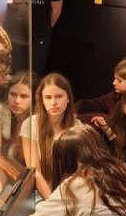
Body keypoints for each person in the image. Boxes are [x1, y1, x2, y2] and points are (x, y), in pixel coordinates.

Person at [20, 72, 81, 200]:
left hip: (71, 191)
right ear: (42, 100)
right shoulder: (30, 124)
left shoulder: (77, 126)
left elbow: (81, 170)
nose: (53, 102)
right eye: (48, 97)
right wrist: (53, 202)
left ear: (68, 98)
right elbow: (35, 172)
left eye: (59, 96)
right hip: (41, 193)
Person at [76, 56, 126, 122]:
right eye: (115, 79)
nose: (114, 83)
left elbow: (120, 125)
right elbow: (95, 104)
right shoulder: (115, 95)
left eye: (119, 81)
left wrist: (103, 119)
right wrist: (74, 109)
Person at [0, 70, 36, 166]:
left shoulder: (36, 122)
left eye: (24, 96)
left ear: (34, 98)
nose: (17, 101)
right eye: (13, 94)